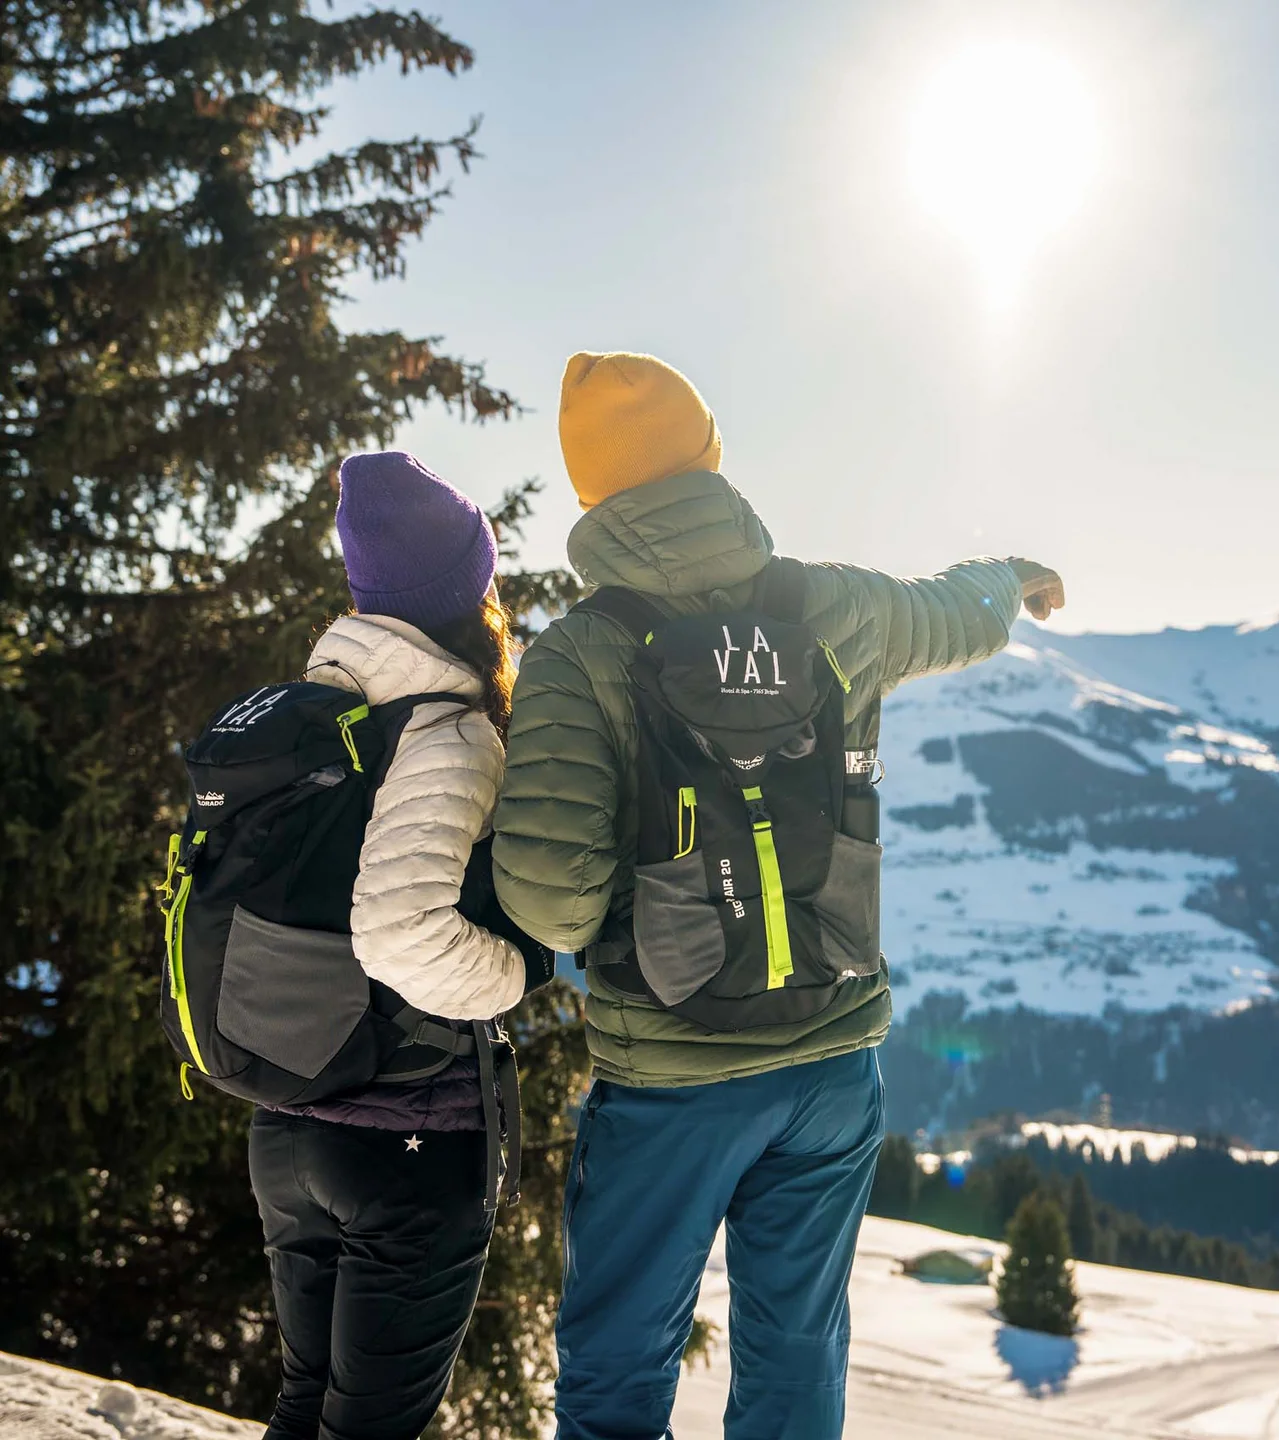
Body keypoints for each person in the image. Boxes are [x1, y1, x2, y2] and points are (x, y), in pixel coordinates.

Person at [492, 352, 1065, 1439]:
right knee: (796, 1349)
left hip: (669, 1073)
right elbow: (955, 612)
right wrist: (1011, 577)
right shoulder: (833, 606)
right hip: (832, 1055)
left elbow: (556, 906)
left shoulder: (582, 655)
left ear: (591, 494)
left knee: (620, 1356)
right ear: (711, 458)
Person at [249, 451, 549, 1440]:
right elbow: (398, 930)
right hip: (403, 1143)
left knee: (306, 1404)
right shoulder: (446, 730)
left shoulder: (315, 713)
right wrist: (519, 970)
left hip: (290, 1127)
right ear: (466, 585)